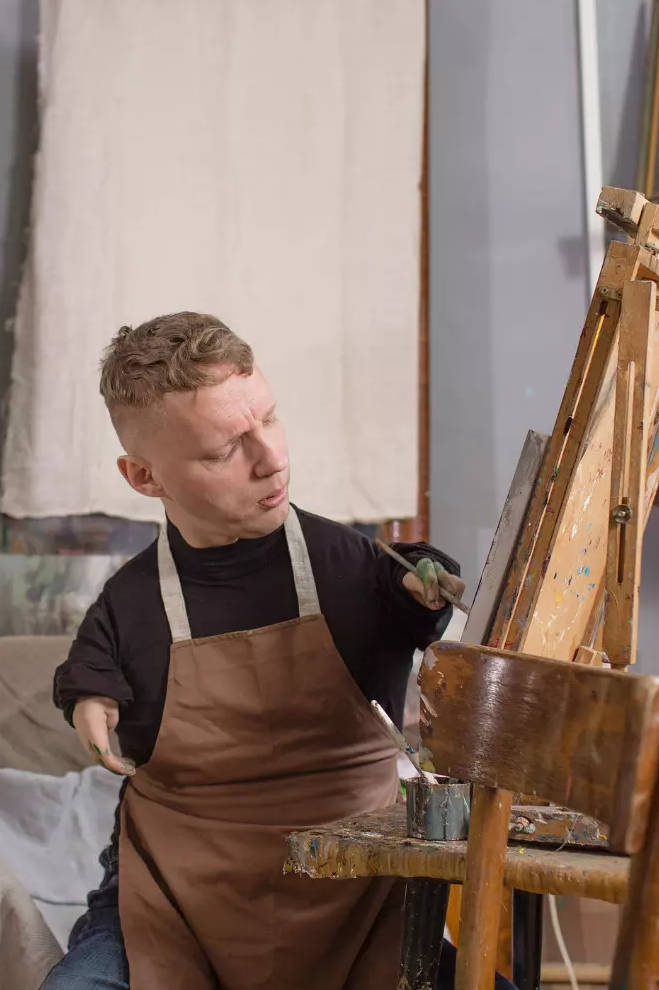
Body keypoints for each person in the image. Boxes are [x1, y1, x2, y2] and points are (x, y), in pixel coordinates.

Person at [43, 312, 515, 990]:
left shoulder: (352, 567)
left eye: (269, 418)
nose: (272, 459)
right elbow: (91, 669)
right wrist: (90, 696)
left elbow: (411, 590)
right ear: (144, 477)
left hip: (360, 902)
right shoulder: (129, 602)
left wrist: (425, 584)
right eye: (224, 449)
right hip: (177, 905)